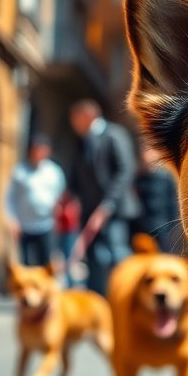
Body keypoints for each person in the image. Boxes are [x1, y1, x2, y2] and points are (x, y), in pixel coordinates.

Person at [67, 99, 140, 293]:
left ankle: (125, 297)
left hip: (114, 211)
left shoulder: (114, 135)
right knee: (95, 261)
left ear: (88, 116)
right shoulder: (81, 142)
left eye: (75, 118)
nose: (72, 123)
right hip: (90, 212)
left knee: (117, 254)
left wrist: (107, 205)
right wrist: (71, 197)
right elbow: (76, 175)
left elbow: (125, 171)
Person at [5, 133, 66, 268]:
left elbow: (61, 195)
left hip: (46, 224)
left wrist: (58, 209)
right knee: (26, 264)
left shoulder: (54, 172)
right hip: (25, 226)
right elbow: (10, 198)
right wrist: (12, 220)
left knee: (46, 264)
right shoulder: (20, 171)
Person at [134, 146, 182, 254]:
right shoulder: (139, 177)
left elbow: (173, 201)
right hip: (145, 226)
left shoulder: (165, 176)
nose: (148, 156)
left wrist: (173, 224)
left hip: (164, 225)